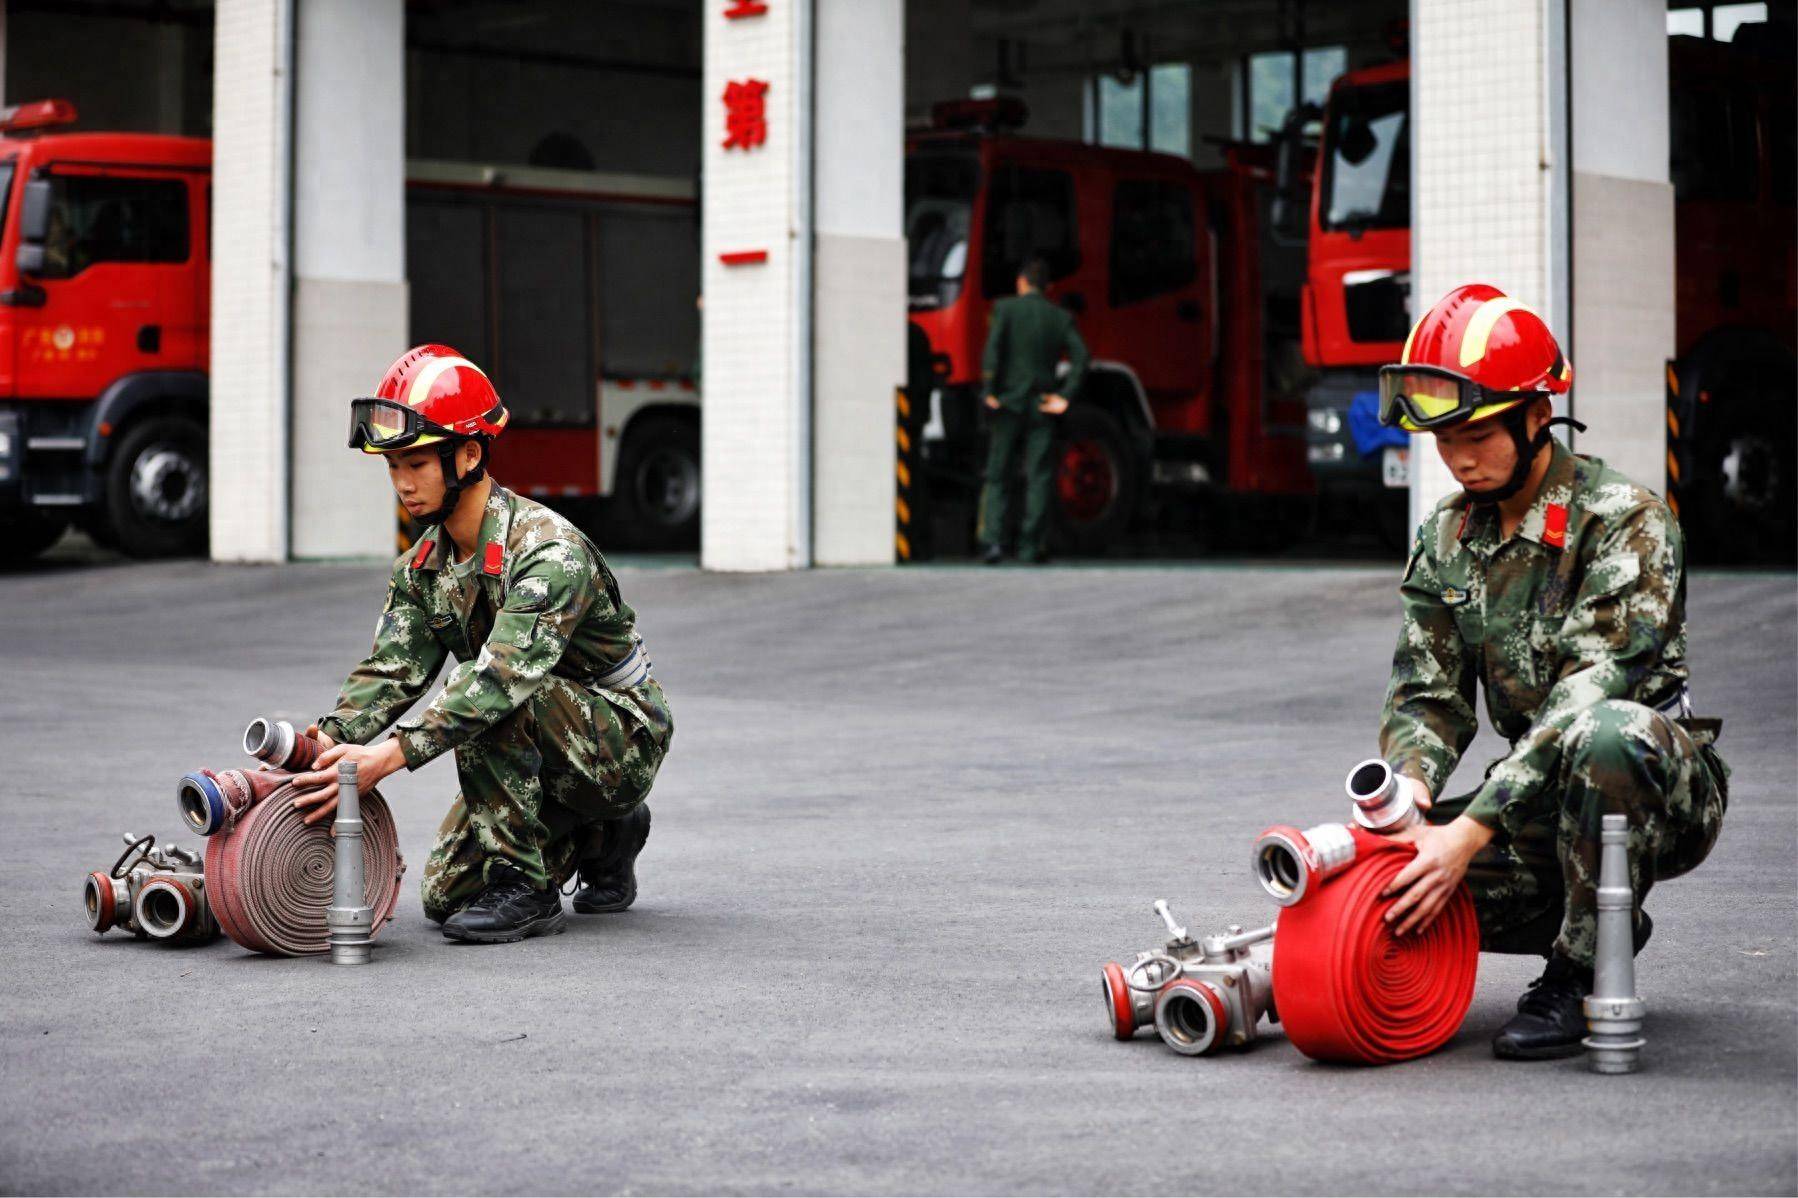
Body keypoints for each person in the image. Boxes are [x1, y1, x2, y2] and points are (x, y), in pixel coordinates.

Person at [1373, 284, 1728, 1059]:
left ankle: (1579, 965)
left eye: (1478, 433)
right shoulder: (1446, 535)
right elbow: (1427, 696)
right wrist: (1412, 793)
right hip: (1534, 798)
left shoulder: (1627, 523)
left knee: (1607, 732)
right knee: (1381, 888)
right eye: (1442, 439)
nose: (1459, 456)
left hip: (1654, 787)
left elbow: (1583, 699)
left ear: (1538, 416)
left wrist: (1468, 832)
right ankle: (1600, 904)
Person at [287, 344, 673, 944]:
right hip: (536, 726)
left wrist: (388, 758)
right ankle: (602, 833)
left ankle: (531, 891)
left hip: (621, 736)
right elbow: (390, 673)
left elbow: (500, 681)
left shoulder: (547, 551)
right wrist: (327, 743)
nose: (402, 484)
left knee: (486, 699)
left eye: (416, 464)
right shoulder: (421, 569)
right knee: (445, 895)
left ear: (468, 455)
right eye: (392, 467)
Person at [976, 255, 1089, 565]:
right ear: (1048, 286)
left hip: (1008, 403)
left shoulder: (1005, 310)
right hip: (1042, 404)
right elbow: (1082, 356)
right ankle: (1030, 546)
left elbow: (993, 350)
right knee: (1038, 476)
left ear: (1021, 282)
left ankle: (993, 543)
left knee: (998, 474)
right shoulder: (1060, 318)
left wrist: (989, 390)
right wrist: (1065, 396)